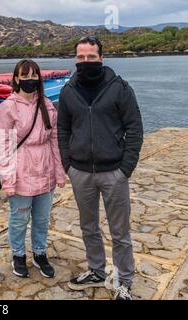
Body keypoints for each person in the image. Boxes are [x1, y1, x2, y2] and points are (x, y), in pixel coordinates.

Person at [57, 36, 144, 300]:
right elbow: (62, 129)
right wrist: (68, 164)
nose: (86, 62)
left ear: (101, 58)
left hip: (113, 172)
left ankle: (124, 280)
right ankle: (96, 270)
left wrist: (125, 168)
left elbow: (134, 128)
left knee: (120, 231)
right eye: (81, 57)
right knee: (89, 227)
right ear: (75, 59)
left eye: (91, 57)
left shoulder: (119, 88)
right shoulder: (68, 91)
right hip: (81, 172)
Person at [0, 59, 66, 279]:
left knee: (43, 218)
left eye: (33, 75)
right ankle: (18, 255)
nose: (29, 80)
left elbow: (54, 139)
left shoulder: (47, 104)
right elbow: (4, 145)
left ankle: (39, 252)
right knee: (19, 218)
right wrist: (8, 179)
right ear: (16, 79)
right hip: (21, 169)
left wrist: (59, 170)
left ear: (39, 77)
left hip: (44, 168)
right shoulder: (8, 107)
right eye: (24, 76)